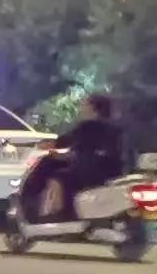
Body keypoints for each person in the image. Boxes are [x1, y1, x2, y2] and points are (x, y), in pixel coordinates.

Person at [39, 93, 126, 222]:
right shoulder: (115, 128)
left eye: (84, 106)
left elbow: (65, 142)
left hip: (89, 173)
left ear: (93, 108)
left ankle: (57, 214)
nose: (81, 109)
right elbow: (82, 151)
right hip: (113, 172)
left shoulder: (86, 127)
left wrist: (48, 147)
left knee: (58, 178)